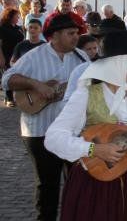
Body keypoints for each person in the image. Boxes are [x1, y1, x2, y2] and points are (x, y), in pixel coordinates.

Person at [44, 30, 127, 221]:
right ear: (116, 63)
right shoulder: (87, 95)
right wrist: (94, 149)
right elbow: (53, 138)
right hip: (95, 184)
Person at [1, 14, 88, 220]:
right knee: (47, 184)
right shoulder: (34, 55)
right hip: (39, 129)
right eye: (71, 33)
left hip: (72, 132)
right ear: (55, 36)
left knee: (76, 182)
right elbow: (7, 79)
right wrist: (36, 85)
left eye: (77, 33)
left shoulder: (82, 58)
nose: (76, 37)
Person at [0, 9, 26, 106]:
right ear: (10, 16)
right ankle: (8, 98)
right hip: (6, 55)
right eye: (16, 16)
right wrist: (1, 57)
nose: (18, 18)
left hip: (17, 55)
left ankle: (16, 97)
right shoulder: (2, 28)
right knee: (8, 76)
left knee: (17, 76)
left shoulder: (18, 28)